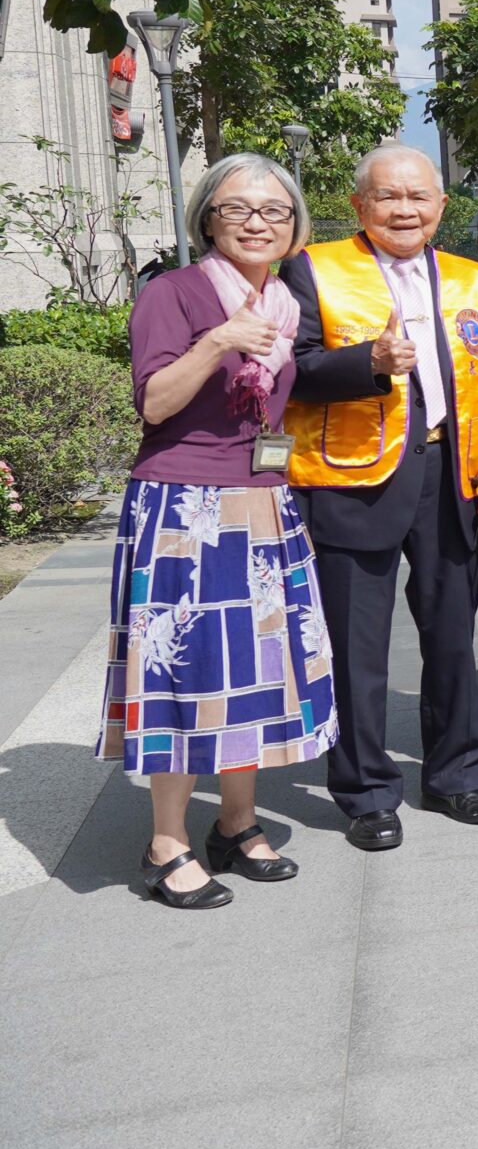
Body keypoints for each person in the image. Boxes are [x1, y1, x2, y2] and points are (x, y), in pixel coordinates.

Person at [101, 154, 339, 909]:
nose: (259, 222)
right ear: (208, 217)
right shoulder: (174, 292)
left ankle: (235, 823)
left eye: (275, 211)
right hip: (184, 507)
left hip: (263, 501)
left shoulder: (287, 305)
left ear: (295, 226)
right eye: (239, 209)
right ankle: (166, 839)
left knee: (257, 669)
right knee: (184, 672)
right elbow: (156, 404)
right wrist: (218, 341)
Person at [282, 144, 478, 851]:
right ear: (360, 206)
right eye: (389, 197)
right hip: (354, 478)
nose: (405, 209)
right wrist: (369, 363)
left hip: (454, 477)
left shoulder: (476, 280)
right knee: (357, 646)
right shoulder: (315, 268)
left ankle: (457, 774)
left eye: (419, 197)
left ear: (442, 206)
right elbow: (289, 371)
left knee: (452, 635)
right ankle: (365, 792)